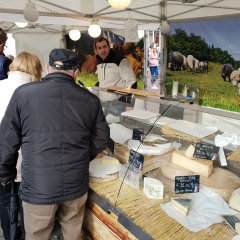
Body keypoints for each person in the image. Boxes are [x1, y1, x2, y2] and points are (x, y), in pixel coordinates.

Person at [0, 48, 110, 240]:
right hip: (76, 184)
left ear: (48, 68)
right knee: (73, 234)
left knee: (37, 235)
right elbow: (101, 139)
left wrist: (4, 173)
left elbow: (6, 141)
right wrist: (82, 155)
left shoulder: (23, 94)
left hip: (38, 186)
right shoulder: (91, 100)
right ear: (76, 72)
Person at [0, 51, 42, 240]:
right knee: (26, 211)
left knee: (6, 207)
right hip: (27, 164)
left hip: (2, 162)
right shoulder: (36, 93)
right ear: (35, 70)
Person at [95, 37, 137, 115]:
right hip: (102, 104)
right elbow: (102, 81)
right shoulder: (99, 62)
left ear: (109, 47)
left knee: (119, 126)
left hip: (118, 105)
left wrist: (128, 104)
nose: (102, 50)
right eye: (99, 48)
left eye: (104, 47)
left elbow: (132, 82)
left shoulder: (120, 60)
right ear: (96, 50)